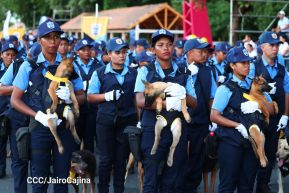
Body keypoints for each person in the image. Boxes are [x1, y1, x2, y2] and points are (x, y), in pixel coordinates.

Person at [10, 19, 85, 193]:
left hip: (64, 127)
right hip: (39, 128)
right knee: (39, 180)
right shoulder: (28, 66)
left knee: (61, 181)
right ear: (39, 40)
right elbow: (15, 99)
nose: (52, 41)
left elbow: (82, 96)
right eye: (47, 37)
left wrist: (70, 99)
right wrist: (38, 116)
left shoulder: (69, 66)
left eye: (56, 37)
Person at [134, 29, 197, 193]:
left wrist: (181, 95)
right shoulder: (146, 71)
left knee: (173, 179)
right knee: (151, 178)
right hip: (152, 129)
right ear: (153, 49)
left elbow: (194, 102)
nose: (166, 48)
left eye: (169, 44)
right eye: (160, 45)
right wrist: (170, 101)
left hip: (177, 129)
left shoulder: (183, 71)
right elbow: (140, 100)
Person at [211, 46, 266, 193]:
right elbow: (214, 116)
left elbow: (271, 108)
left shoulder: (254, 85)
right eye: (243, 63)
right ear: (232, 65)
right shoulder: (225, 89)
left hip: (251, 143)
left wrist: (259, 105)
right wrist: (237, 126)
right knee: (227, 186)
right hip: (231, 142)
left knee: (247, 186)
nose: (247, 65)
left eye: (248, 62)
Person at [87, 37, 138, 193]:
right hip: (105, 120)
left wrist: (139, 120)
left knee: (121, 160)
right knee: (106, 160)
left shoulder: (134, 73)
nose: (122, 55)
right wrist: (106, 96)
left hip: (126, 120)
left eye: (124, 52)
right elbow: (90, 96)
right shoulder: (100, 73)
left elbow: (137, 98)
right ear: (109, 54)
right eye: (117, 52)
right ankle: (103, 190)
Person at [176, 38, 217, 193]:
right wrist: (187, 75)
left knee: (197, 160)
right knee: (179, 160)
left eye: (206, 51)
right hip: (180, 121)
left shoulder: (208, 70)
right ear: (189, 52)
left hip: (200, 122)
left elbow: (212, 96)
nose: (205, 54)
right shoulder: (178, 68)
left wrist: (213, 118)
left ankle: (191, 189)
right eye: (201, 51)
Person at [253, 31, 289, 193]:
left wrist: (286, 115)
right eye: (271, 45)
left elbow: (287, 92)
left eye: (277, 45)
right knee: (254, 150)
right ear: (262, 47)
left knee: (270, 149)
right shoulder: (254, 67)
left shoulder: (282, 69)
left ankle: (263, 183)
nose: (275, 48)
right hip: (258, 117)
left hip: (277, 117)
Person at [73, 38, 103, 152]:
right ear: (77, 52)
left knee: (90, 141)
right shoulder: (73, 64)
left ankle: (89, 168)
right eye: (83, 50)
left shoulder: (98, 64)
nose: (86, 52)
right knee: (75, 141)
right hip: (77, 108)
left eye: (88, 49)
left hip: (94, 109)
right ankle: (73, 169)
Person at [0, 42, 18, 179]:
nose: (10, 57)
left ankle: (17, 170)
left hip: (14, 110)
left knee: (15, 142)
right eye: (7, 54)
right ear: (1, 55)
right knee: (1, 141)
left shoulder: (19, 69)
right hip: (1, 110)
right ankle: (1, 169)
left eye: (13, 54)